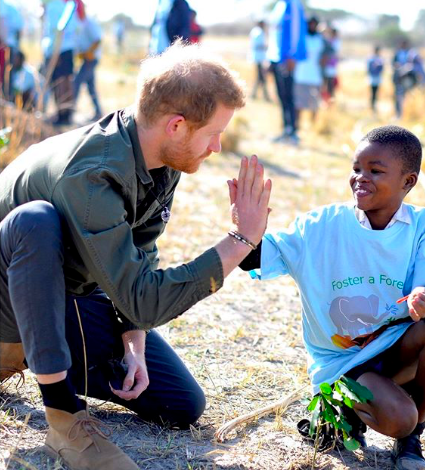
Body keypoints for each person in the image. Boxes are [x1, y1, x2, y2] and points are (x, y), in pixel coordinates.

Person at [0, 41, 271, 470]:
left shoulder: (160, 157)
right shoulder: (93, 172)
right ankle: (63, 418)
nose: (217, 146)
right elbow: (144, 298)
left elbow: (141, 254)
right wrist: (240, 239)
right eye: (213, 134)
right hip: (12, 296)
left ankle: (33, 359)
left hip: (62, 295)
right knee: (36, 220)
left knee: (181, 404)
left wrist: (133, 339)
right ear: (177, 125)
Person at [238, 125, 425, 470]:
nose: (361, 178)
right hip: (345, 363)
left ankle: (412, 436)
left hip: (394, 349)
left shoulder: (422, 225)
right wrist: (245, 232)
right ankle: (342, 407)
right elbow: (255, 258)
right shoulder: (320, 225)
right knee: (398, 416)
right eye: (356, 168)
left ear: (408, 182)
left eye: (375, 171)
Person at [266, 0, 307, 144]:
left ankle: (293, 132)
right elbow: (274, 33)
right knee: (281, 96)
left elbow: (296, 31)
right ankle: (285, 130)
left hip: (287, 59)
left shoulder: (293, 4)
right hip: (276, 58)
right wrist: (270, 58)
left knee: (289, 96)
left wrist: (292, 55)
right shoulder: (279, 5)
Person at [41, 0, 79, 126]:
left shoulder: (53, 7)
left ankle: (62, 114)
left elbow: (56, 31)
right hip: (67, 48)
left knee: (60, 82)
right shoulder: (65, 6)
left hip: (58, 50)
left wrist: (53, 53)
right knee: (67, 80)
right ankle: (67, 113)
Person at [74, 6, 103, 121]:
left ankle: (70, 109)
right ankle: (98, 112)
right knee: (90, 86)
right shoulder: (80, 24)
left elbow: (98, 39)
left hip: (91, 59)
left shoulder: (89, 23)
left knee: (76, 82)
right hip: (86, 59)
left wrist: (89, 52)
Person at [294, 16, 324, 125]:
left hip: (315, 77)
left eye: (314, 24)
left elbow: (328, 54)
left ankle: (313, 126)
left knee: (314, 104)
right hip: (301, 75)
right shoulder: (301, 38)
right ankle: (297, 126)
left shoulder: (320, 39)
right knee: (299, 104)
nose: (312, 26)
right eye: (310, 24)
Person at [392, 39, 425, 118]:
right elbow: (394, 64)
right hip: (399, 79)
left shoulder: (410, 54)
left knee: (408, 96)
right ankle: (399, 114)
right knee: (398, 96)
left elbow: (416, 68)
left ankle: (407, 114)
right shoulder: (397, 53)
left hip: (407, 79)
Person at [249, 20, 271, 101]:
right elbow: (257, 45)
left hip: (259, 57)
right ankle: (265, 96)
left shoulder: (256, 31)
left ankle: (254, 94)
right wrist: (266, 47)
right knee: (261, 77)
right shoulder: (258, 32)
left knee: (260, 77)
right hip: (258, 58)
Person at [322, 26, 340, 102]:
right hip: (326, 65)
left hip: (331, 66)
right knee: (325, 83)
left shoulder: (335, 42)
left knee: (330, 84)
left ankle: (330, 99)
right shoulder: (328, 41)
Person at [367, 45, 384, 112]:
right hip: (372, 77)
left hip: (377, 77)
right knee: (372, 92)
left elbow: (382, 68)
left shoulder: (380, 59)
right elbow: (369, 68)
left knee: (376, 92)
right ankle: (372, 105)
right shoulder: (371, 58)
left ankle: (374, 105)